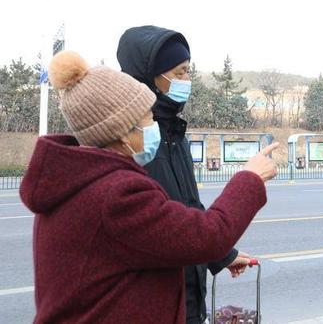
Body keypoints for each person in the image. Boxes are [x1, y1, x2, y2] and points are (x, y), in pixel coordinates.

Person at [20, 51, 278, 323]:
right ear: (121, 131)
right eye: (147, 118)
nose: (154, 126)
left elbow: (164, 236)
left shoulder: (78, 181)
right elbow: (206, 236)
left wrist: (223, 257)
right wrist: (250, 178)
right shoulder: (116, 194)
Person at [116, 25, 256, 324]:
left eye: (188, 71)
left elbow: (188, 209)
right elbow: (163, 229)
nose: (187, 81)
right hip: (158, 305)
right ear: (149, 77)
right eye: (179, 73)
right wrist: (250, 181)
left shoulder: (173, 133)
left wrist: (222, 255)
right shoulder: (131, 143)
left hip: (190, 299)